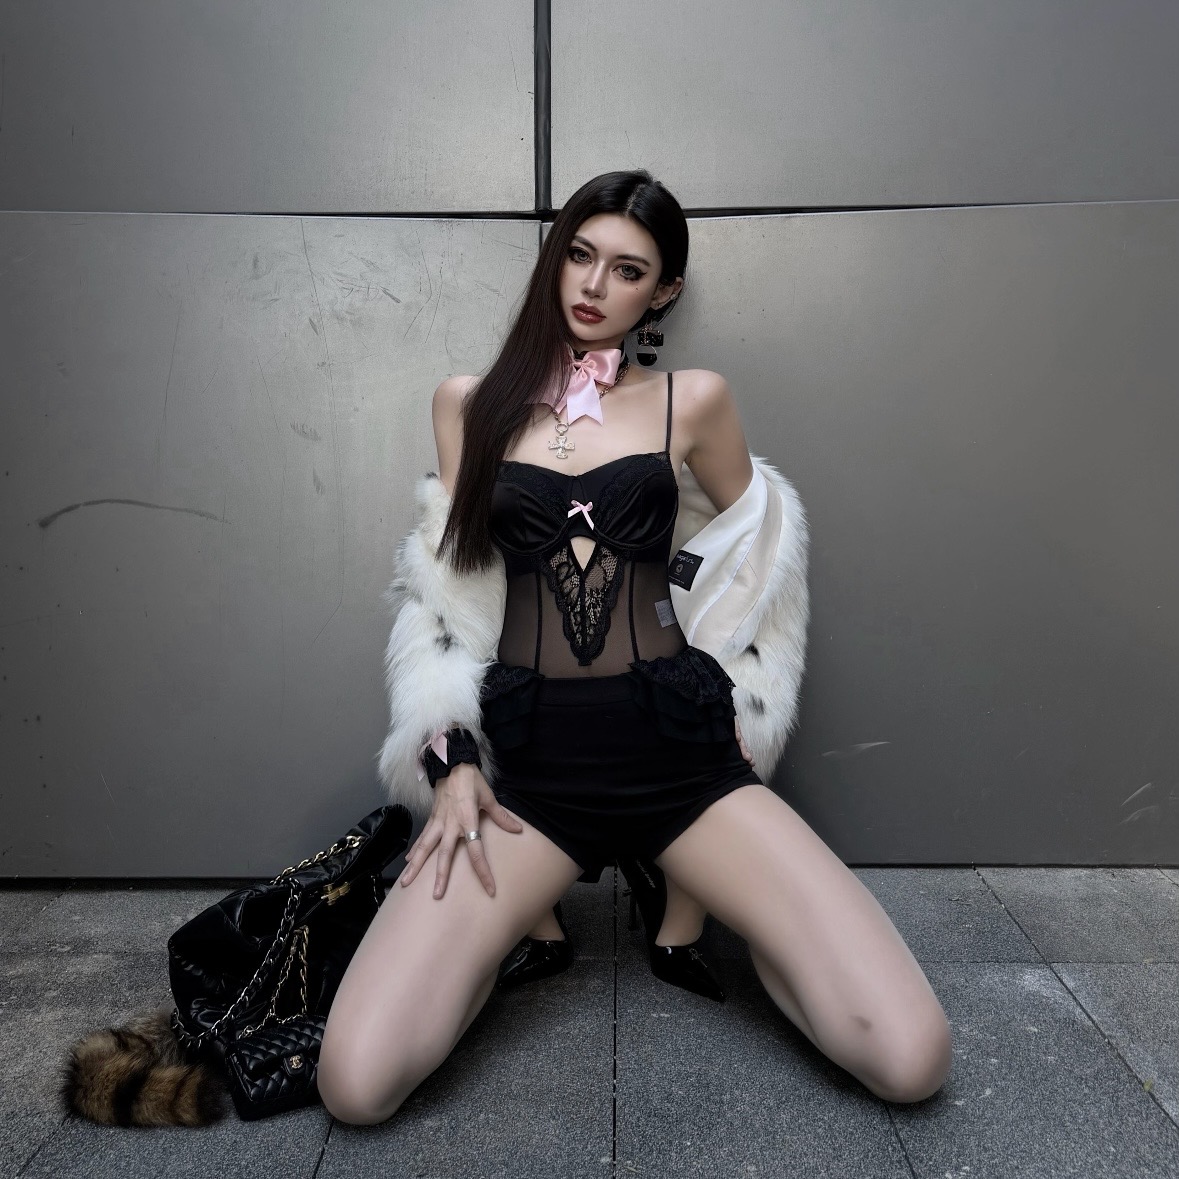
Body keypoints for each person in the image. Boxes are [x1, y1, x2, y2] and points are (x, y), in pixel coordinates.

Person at [317, 170, 952, 1124]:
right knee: (357, 1083)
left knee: (910, 1057)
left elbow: (757, 566)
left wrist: (743, 707)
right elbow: (447, 599)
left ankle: (719, 902)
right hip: (530, 777)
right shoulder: (467, 404)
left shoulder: (693, 401)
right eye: (579, 254)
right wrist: (449, 759)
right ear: (554, 256)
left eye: (627, 269)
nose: (592, 284)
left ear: (663, 292)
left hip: (680, 760)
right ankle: (507, 930)